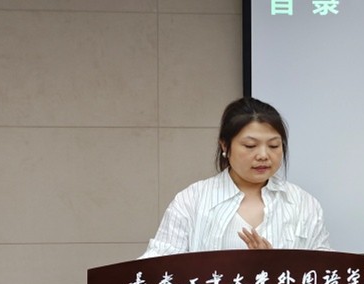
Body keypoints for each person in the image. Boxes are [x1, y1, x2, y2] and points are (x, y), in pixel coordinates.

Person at [139, 97, 331, 257]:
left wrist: (275, 267)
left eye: (274, 146)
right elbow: (156, 268)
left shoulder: (304, 204)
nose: (263, 155)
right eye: (250, 146)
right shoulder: (192, 200)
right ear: (225, 145)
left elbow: (326, 274)